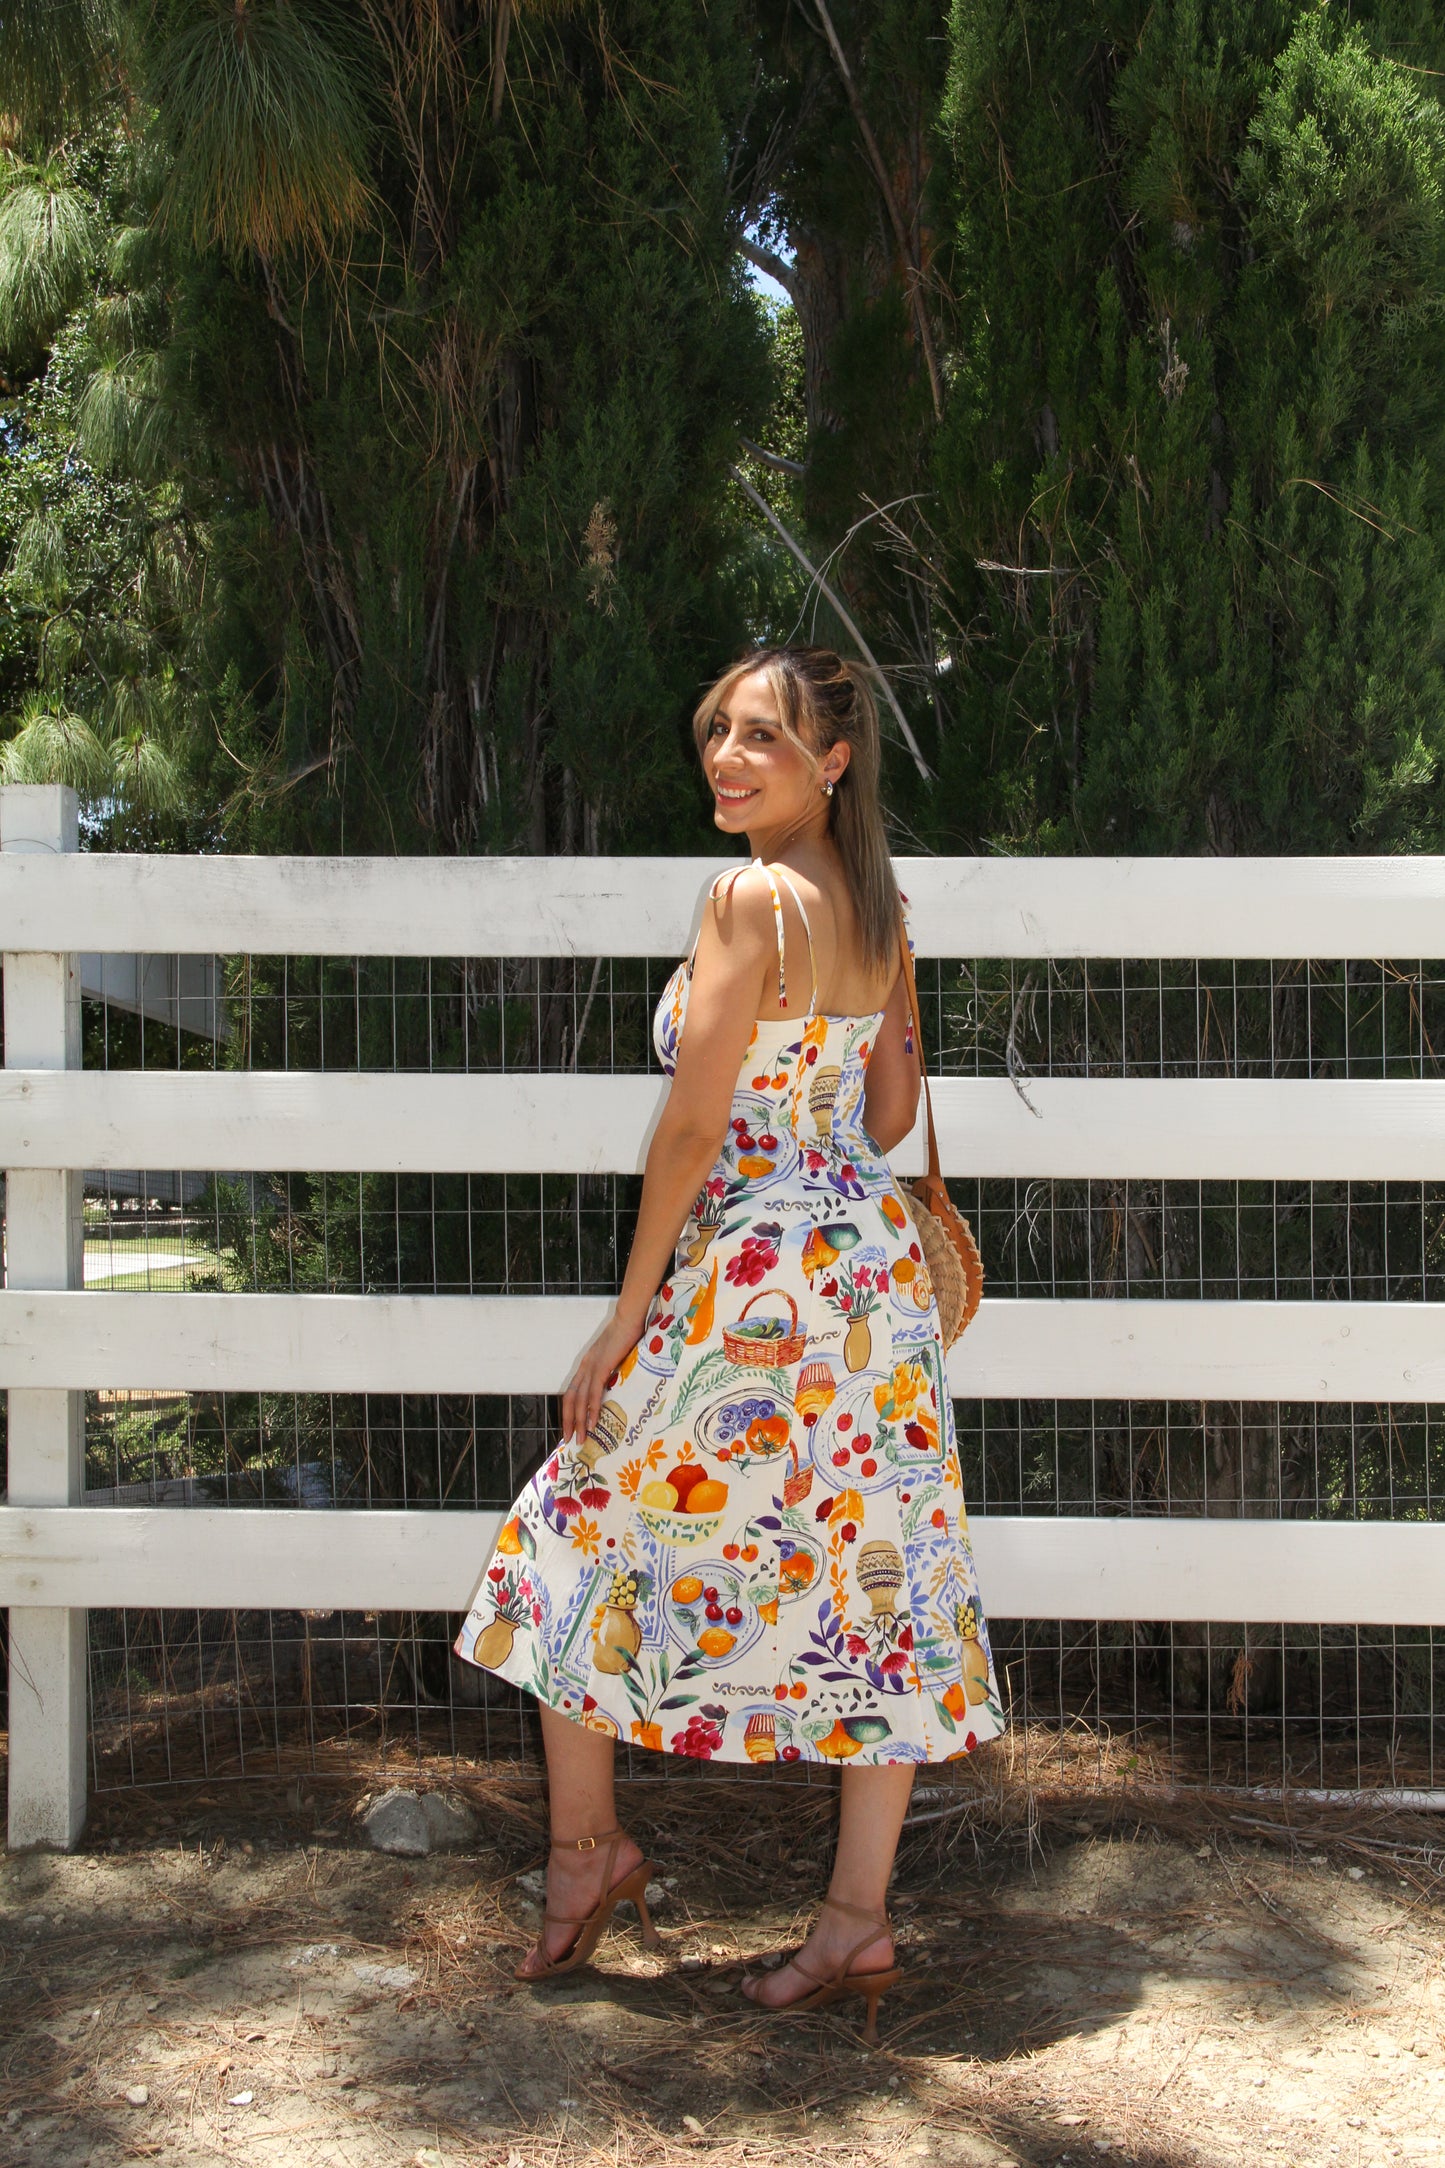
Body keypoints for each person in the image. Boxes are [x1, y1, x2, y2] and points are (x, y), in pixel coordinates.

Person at [456, 645, 1003, 2038]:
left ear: (833, 761)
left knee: (579, 1519)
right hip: (866, 1278)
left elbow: (694, 1126)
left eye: (763, 735)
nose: (727, 756)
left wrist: (626, 1317)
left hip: (756, 1269)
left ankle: (587, 1853)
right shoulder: (876, 909)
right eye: (719, 730)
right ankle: (855, 1920)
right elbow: (889, 1119)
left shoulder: (747, 899)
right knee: (875, 1572)